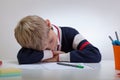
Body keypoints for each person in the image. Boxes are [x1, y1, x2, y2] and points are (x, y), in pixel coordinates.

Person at [14, 15, 101, 64]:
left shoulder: (71, 34)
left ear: (48, 24)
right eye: (45, 49)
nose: (51, 47)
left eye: (51, 41)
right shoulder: (33, 41)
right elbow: (22, 58)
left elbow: (94, 54)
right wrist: (51, 53)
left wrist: (58, 58)